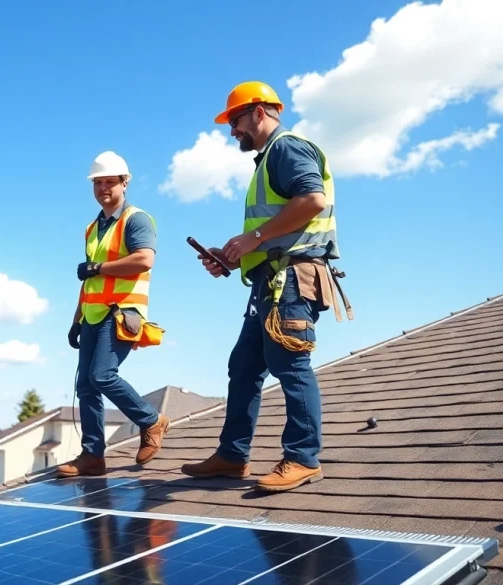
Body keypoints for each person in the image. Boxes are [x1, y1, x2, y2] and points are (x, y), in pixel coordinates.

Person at [181, 81, 347, 492]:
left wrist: (253, 240)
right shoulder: (268, 159)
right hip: (270, 282)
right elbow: (273, 229)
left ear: (258, 112)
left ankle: (302, 458)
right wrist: (233, 255)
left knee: (291, 366)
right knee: (244, 367)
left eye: (234, 120)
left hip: (291, 280)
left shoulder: (287, 148)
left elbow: (312, 199)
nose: (232, 130)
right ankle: (232, 456)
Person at [57, 151, 169, 478]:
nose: (104, 187)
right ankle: (93, 455)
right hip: (92, 314)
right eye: (98, 182)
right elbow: (89, 279)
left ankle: (152, 420)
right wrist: (76, 319)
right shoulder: (93, 229)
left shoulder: (136, 219)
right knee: (86, 386)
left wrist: (100, 266)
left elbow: (145, 259)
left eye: (110, 181)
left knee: (103, 375)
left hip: (122, 312)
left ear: (124, 183)